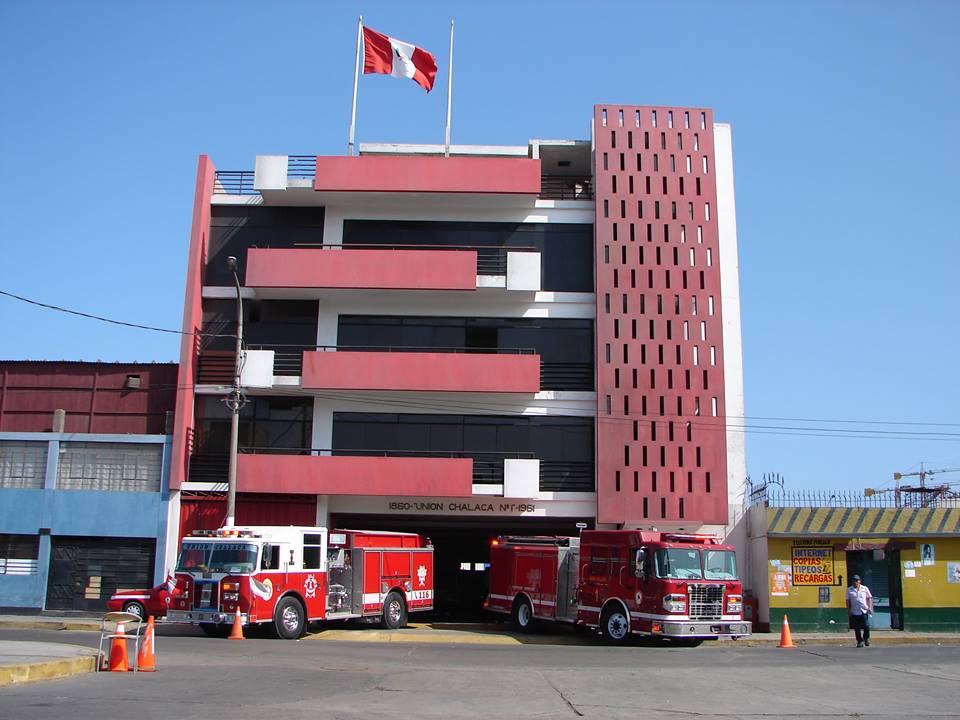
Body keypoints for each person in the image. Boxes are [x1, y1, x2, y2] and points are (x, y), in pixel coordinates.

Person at [846, 574, 873, 648]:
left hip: (864, 610)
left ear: (859, 581)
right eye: (854, 581)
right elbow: (848, 601)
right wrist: (849, 610)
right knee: (857, 628)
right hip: (855, 611)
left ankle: (866, 638)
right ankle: (859, 641)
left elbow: (869, 598)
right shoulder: (849, 590)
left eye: (857, 581)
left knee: (866, 626)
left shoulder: (864, 588)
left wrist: (870, 607)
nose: (855, 582)